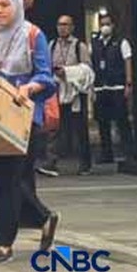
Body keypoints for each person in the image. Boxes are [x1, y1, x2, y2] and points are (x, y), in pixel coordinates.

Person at [0, 0, 59, 263]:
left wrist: (29, 87)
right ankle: (44, 217)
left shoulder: (34, 35)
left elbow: (47, 77)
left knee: (8, 179)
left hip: (23, 116)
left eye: (4, 5)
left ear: (17, 6)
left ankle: (4, 243)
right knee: (1, 182)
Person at [39, 15, 93, 177]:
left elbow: (87, 70)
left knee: (79, 129)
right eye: (59, 24)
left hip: (75, 93)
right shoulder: (52, 45)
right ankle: (51, 162)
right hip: (57, 92)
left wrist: (68, 72)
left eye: (65, 24)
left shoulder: (79, 46)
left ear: (72, 27)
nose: (62, 27)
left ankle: (85, 163)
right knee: (54, 128)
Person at [91, 13, 134, 163]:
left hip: (117, 86)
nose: (105, 27)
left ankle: (129, 152)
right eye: (102, 24)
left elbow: (127, 61)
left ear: (113, 25)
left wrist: (128, 83)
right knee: (103, 122)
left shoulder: (121, 42)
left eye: (108, 24)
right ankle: (106, 153)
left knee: (122, 121)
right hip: (101, 88)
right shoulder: (95, 42)